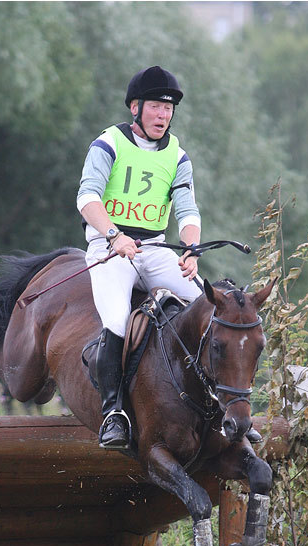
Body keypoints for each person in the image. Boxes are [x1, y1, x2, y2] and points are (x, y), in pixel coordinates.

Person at [77, 65, 203, 449]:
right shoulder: (108, 143)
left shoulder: (178, 155)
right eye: (156, 107)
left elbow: (188, 211)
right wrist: (115, 235)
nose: (163, 115)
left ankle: (216, 406)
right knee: (116, 319)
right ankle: (113, 413)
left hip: (156, 249)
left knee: (206, 307)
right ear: (135, 108)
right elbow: (87, 199)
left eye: (168, 109)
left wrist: (191, 248)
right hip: (109, 247)